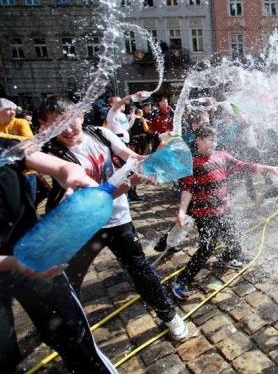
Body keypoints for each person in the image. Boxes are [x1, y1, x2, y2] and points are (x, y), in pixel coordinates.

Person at [38, 96, 188, 341]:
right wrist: (135, 178)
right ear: (45, 127)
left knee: (140, 269)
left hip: (117, 220)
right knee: (69, 277)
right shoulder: (52, 154)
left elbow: (131, 158)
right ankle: (67, 327)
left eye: (70, 120)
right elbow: (99, 196)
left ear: (81, 115)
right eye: (57, 124)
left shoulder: (99, 133)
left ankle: (169, 314)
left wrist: (157, 156)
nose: (66, 129)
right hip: (84, 226)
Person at [0, 139, 118, 373]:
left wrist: (73, 174)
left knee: (72, 335)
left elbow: (64, 167)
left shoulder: (4, 149)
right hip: (18, 261)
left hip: (37, 255)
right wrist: (14, 263)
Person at [171, 125, 278, 301]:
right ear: (198, 140)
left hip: (224, 207)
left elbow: (244, 166)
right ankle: (182, 280)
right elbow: (187, 188)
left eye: (215, 139)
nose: (213, 143)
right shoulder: (192, 163)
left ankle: (228, 257)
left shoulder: (222, 156)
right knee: (208, 246)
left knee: (232, 236)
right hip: (204, 212)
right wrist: (182, 212)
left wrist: (268, 168)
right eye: (209, 139)